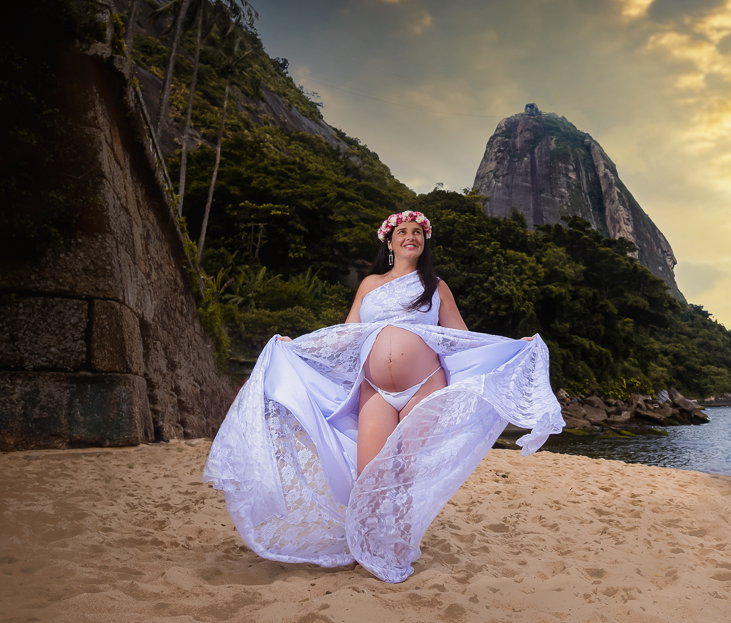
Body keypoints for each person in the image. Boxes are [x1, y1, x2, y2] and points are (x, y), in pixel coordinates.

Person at [203, 210, 564, 583]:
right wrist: (298, 348)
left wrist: (511, 347)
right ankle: (364, 544)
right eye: (403, 232)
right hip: (373, 390)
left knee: (405, 474)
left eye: (418, 232)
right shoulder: (370, 285)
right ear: (389, 242)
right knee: (368, 474)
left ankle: (396, 545)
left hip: (424, 386)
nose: (412, 237)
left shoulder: (436, 287)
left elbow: (462, 338)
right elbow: (344, 336)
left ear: (424, 242)